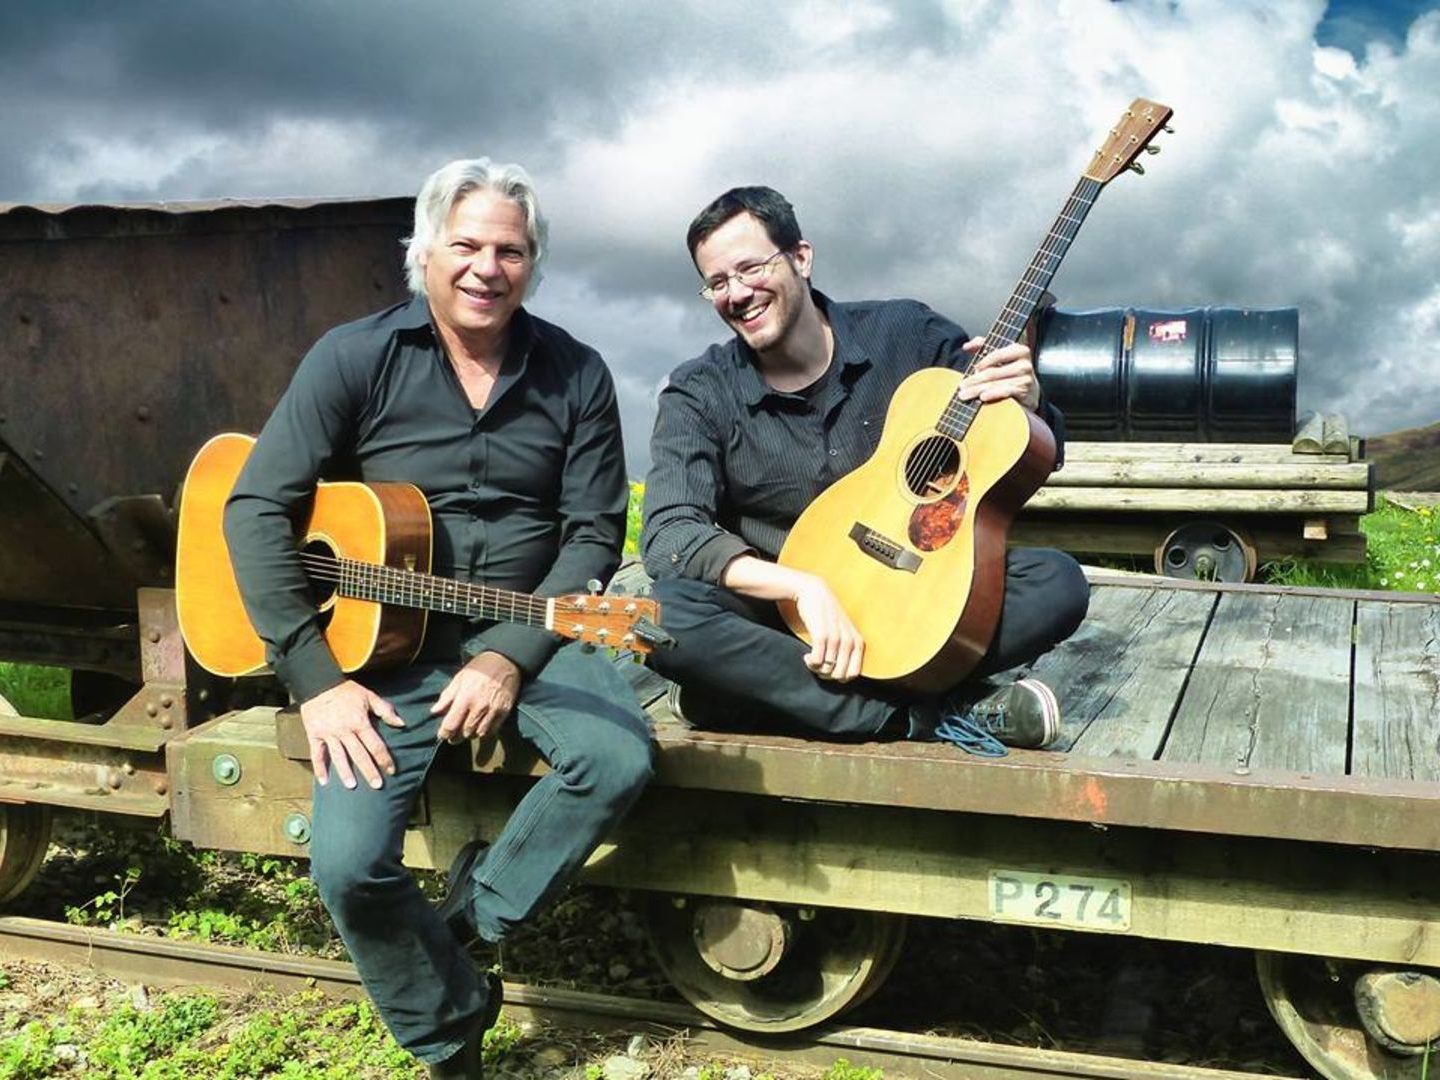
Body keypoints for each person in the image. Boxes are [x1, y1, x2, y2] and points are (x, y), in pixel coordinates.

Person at [223, 158, 653, 1078]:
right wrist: (317, 681)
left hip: (527, 628)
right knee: (346, 869)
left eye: (511, 250)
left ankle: (473, 921)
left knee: (618, 756)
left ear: (532, 264)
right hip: (376, 654)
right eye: (465, 245)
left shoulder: (577, 372)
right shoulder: (355, 355)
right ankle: (449, 1028)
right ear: (423, 251)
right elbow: (255, 506)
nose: (486, 268)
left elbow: (590, 538)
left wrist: (506, 657)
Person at [641, 186, 1088, 752]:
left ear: (800, 257)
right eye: (717, 282)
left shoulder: (908, 334)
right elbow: (670, 534)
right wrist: (803, 587)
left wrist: (1027, 404)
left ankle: (751, 697)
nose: (737, 293)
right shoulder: (699, 392)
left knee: (1057, 582)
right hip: (782, 621)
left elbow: (1027, 451)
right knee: (660, 615)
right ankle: (920, 717)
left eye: (750, 268)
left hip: (916, 596)